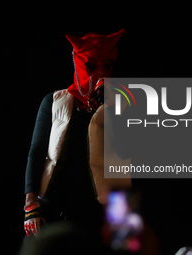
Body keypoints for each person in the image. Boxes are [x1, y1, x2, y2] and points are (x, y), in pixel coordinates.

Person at [22, 29, 131, 246]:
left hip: (96, 209)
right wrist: (30, 203)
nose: (100, 72)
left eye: (106, 65)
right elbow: (37, 151)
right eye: (91, 66)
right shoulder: (54, 101)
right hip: (54, 203)